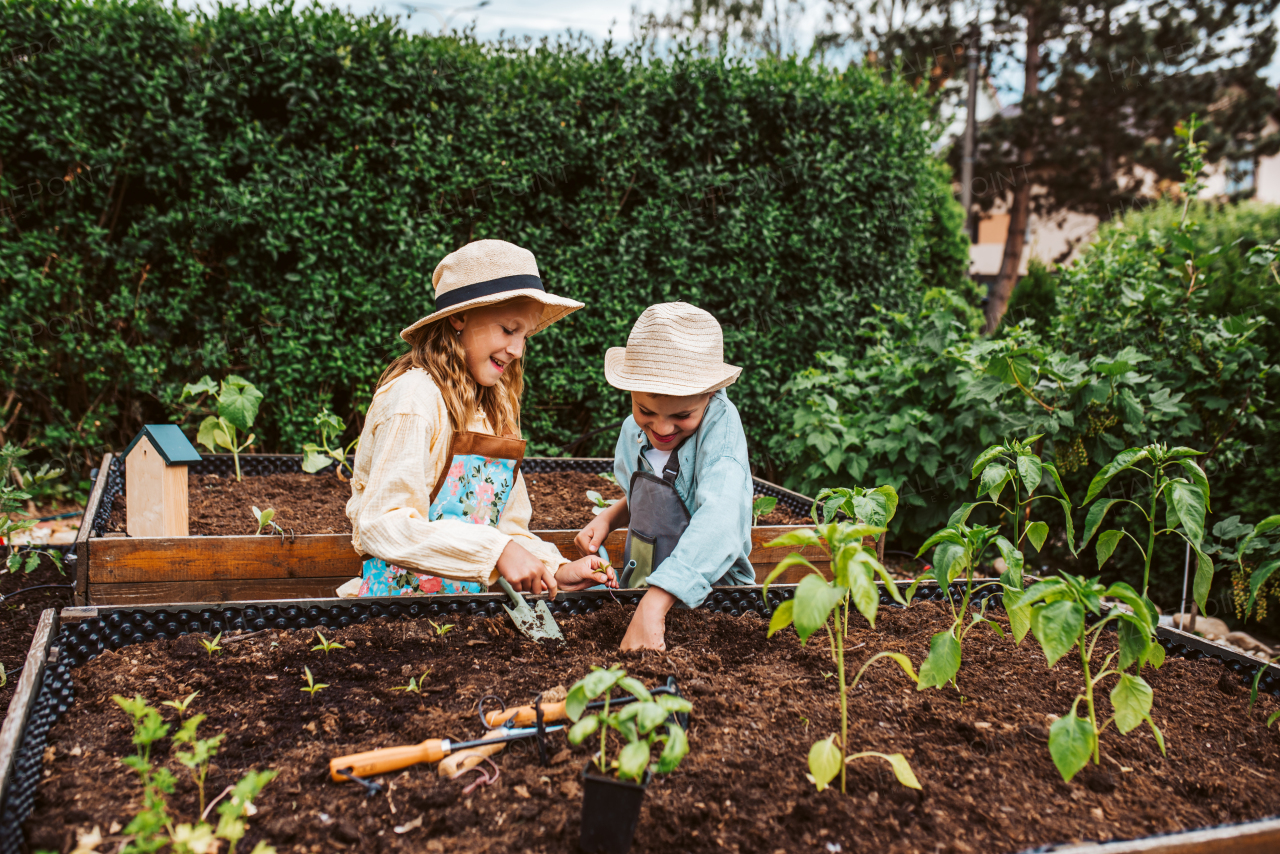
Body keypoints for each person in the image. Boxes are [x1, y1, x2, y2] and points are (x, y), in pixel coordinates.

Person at [339, 239, 615, 599]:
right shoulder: (413, 399)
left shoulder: (496, 407)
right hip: (399, 616)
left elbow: (508, 530)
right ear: (458, 317)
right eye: (508, 329)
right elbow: (383, 524)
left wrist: (556, 569)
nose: (517, 350)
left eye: (525, 335)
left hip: (475, 614)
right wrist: (496, 552)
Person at [574, 302, 754, 650]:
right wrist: (610, 516)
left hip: (713, 602)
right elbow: (658, 491)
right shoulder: (632, 431)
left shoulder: (721, 431)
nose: (662, 427)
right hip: (641, 585)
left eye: (682, 415)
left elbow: (721, 518)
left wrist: (656, 602)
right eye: (645, 410)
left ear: (711, 393)